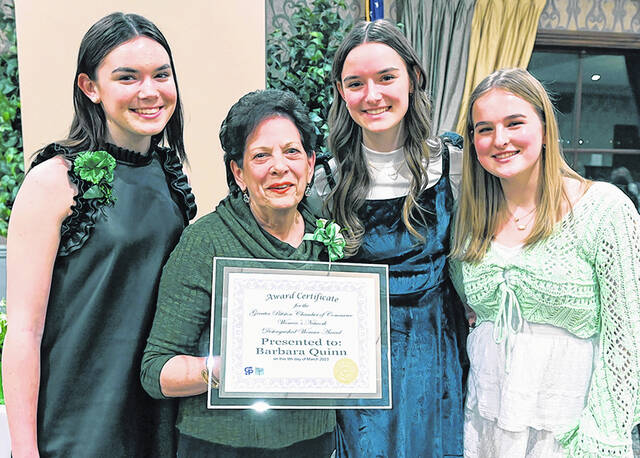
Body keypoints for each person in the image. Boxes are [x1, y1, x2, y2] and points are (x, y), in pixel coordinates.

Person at [3, 12, 196, 457]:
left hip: (156, 418)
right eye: (127, 77)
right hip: (77, 423)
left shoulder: (171, 175)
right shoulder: (53, 180)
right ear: (90, 87)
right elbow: (24, 333)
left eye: (161, 75)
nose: (150, 91)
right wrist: (23, 450)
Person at [449, 68, 640, 457]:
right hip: (486, 424)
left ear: (544, 124)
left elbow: (628, 341)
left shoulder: (603, 210)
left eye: (514, 123)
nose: (499, 140)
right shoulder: (467, 220)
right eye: (484, 129)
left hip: (568, 431)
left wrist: (603, 437)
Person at [140, 89, 336, 457]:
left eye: (292, 152)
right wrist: (228, 368)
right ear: (238, 171)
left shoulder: (325, 234)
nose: (280, 167)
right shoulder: (205, 242)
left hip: (313, 441)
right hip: (221, 445)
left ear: (310, 164)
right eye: (261, 155)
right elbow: (156, 371)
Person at [313, 19, 468, 457]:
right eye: (355, 83)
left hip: (434, 353)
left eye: (386, 77)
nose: (372, 95)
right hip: (355, 364)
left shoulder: (454, 165)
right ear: (342, 93)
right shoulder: (325, 181)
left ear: (413, 77)